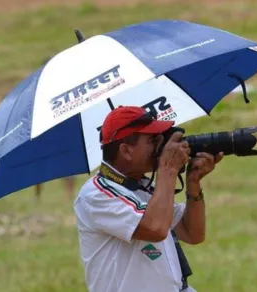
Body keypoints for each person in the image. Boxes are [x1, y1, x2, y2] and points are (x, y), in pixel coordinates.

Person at [73, 106, 223, 292]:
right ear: (126, 151)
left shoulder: (142, 185)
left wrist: (193, 182)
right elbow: (155, 228)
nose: (162, 146)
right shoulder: (96, 194)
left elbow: (192, 233)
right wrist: (167, 169)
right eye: (154, 140)